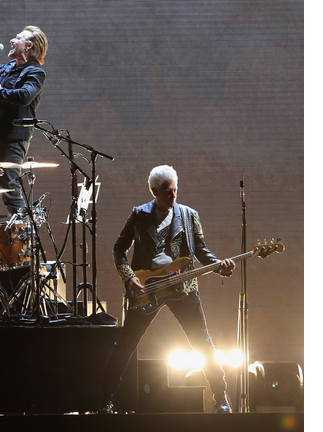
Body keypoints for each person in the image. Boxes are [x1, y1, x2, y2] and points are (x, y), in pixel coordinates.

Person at [100, 165, 236, 414]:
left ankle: (221, 398)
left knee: (203, 343)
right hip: (146, 287)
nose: (173, 196)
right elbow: (118, 249)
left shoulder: (189, 215)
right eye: (166, 192)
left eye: (175, 190)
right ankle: (105, 401)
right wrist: (129, 278)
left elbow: (201, 250)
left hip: (182, 286)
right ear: (154, 191)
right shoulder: (139, 215)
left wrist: (219, 266)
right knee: (126, 344)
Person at [0, 26, 47, 215]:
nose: (12, 40)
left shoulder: (35, 72)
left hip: (12, 141)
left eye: (17, 38)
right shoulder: (12, 67)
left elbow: (25, 96)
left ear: (28, 46)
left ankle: (24, 237)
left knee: (10, 192)